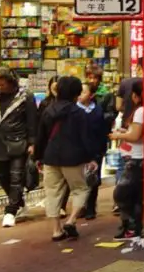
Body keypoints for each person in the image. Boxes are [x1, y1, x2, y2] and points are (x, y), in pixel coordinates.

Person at [34, 76, 100, 242]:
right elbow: (86, 138)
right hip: (74, 158)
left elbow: (40, 136)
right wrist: (92, 157)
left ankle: (56, 230)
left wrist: (38, 157)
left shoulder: (48, 110)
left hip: (51, 157)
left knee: (52, 193)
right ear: (76, 93)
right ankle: (71, 220)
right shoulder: (78, 113)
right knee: (81, 189)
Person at [0, 69, 38, 227]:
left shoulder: (26, 96)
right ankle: (19, 203)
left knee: (16, 177)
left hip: (18, 142)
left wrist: (32, 143)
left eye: (2, 83)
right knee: (3, 177)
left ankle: (10, 211)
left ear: (10, 82)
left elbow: (32, 122)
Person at [108, 82, 144, 238]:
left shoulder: (141, 111)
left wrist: (119, 135)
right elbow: (139, 133)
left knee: (121, 194)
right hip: (142, 157)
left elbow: (135, 136)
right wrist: (126, 131)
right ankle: (134, 227)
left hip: (136, 158)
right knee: (136, 196)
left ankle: (130, 225)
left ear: (135, 96)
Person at [78, 65, 114, 220]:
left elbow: (111, 114)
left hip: (97, 139)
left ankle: (91, 206)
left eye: (94, 78)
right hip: (80, 141)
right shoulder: (80, 95)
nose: (91, 80)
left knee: (93, 174)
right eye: (89, 77)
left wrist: (95, 117)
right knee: (80, 175)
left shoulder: (105, 95)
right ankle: (82, 205)